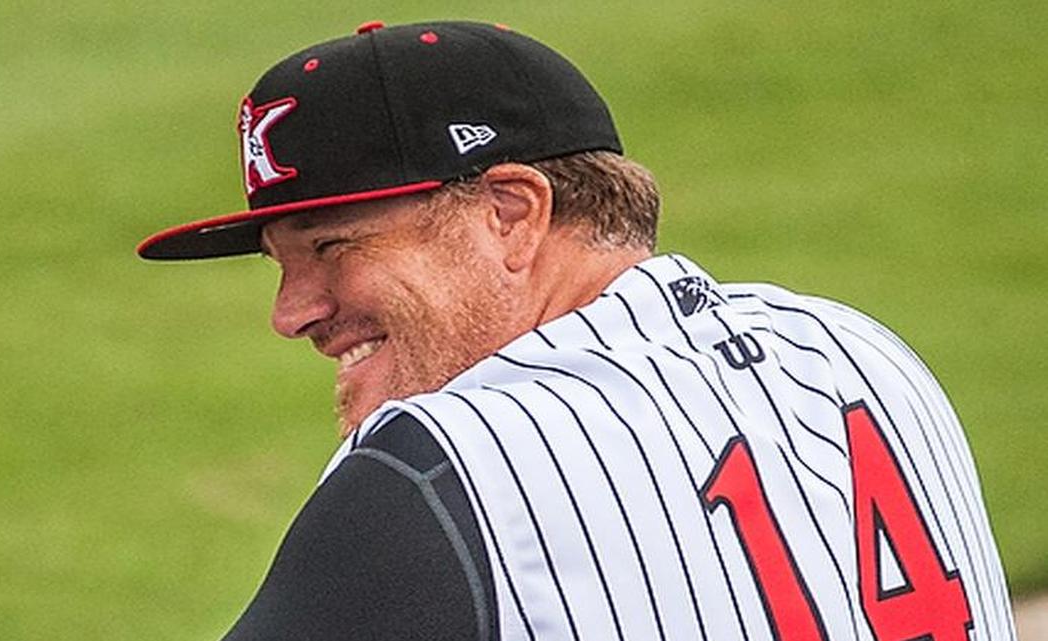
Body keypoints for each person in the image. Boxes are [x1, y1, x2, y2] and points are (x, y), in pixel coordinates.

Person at [137, 20, 1015, 641]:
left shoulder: (447, 463)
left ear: (513, 214)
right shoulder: (859, 349)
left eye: (333, 247)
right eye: (280, 263)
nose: (292, 312)